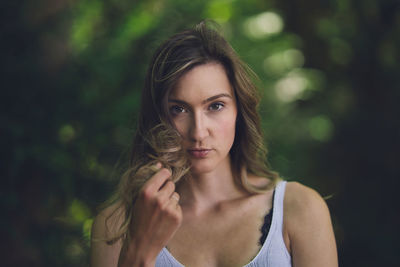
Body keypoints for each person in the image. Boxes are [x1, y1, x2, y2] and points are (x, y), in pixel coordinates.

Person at [91, 21, 338, 267]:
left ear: (238, 110)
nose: (198, 132)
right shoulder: (117, 225)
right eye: (179, 109)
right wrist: (139, 249)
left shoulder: (300, 209)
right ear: (158, 117)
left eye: (215, 106)